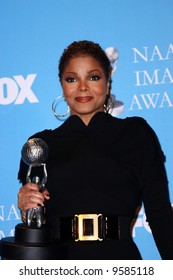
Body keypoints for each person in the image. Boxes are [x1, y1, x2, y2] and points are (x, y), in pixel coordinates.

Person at [17, 40, 173, 260]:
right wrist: (25, 208)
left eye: (93, 77)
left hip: (119, 265)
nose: (82, 87)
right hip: (58, 266)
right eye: (72, 79)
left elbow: (160, 214)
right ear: (62, 85)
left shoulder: (136, 133)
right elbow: (35, 221)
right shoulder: (39, 145)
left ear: (108, 82)